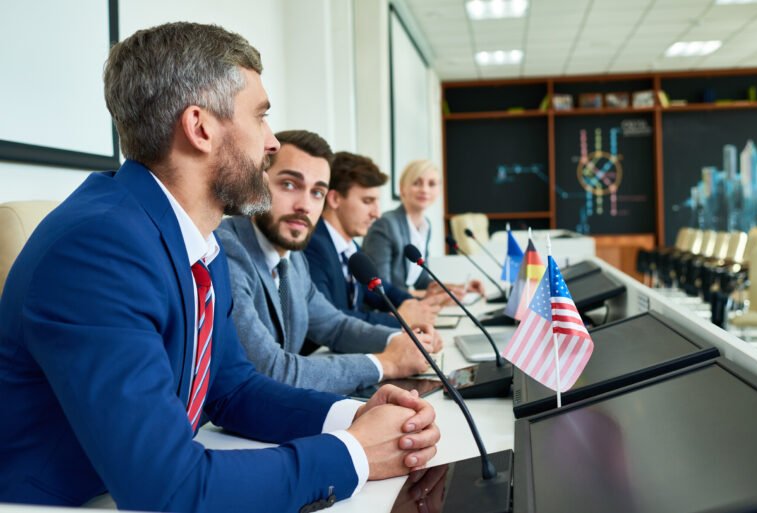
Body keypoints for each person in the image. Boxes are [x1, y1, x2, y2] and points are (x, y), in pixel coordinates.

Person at [0, 22, 438, 512]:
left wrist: (354, 416)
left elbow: (233, 390)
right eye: (261, 117)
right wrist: (354, 454)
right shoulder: (100, 248)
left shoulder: (195, 240)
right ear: (200, 127)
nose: (271, 142)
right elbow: (167, 490)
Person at [217, 131, 441, 394]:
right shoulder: (227, 249)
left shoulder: (293, 257)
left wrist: (403, 341)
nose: (305, 205)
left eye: (317, 192)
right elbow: (271, 370)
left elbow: (335, 326)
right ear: (256, 181)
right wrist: (385, 363)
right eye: (289, 184)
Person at [305, 151, 441, 330]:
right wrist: (400, 319)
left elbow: (380, 289)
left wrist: (415, 306)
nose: (376, 213)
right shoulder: (313, 246)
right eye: (368, 201)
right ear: (335, 199)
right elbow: (329, 318)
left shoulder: (350, 247)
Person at [362, 159, 484, 298]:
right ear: (402, 188)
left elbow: (421, 280)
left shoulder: (426, 226)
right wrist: (437, 295)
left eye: (431, 184)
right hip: (385, 311)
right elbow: (380, 289)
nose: (425, 190)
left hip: (406, 304)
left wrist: (460, 288)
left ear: (439, 190)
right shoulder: (385, 224)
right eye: (416, 183)